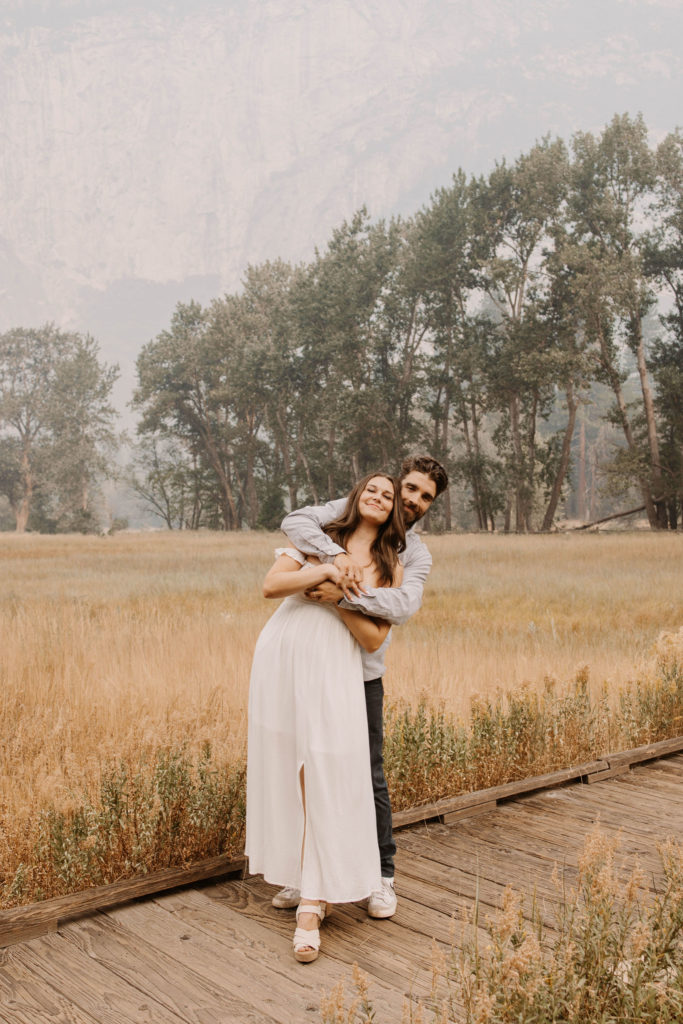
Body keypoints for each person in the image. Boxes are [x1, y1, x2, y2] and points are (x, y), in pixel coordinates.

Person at [273, 454, 449, 919]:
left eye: (424, 497)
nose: (413, 500)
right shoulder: (349, 514)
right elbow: (295, 520)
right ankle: (310, 872)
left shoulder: (413, 553)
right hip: (313, 665)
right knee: (306, 766)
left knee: (368, 775)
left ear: (431, 506)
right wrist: (335, 558)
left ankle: (381, 876)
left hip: (362, 672)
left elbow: (403, 606)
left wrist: (342, 594)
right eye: (408, 488)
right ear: (396, 484)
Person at [245, 472, 406, 963]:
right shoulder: (319, 537)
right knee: (291, 768)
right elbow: (272, 586)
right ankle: (303, 876)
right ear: (356, 497)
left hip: (335, 667)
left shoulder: (389, 563)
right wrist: (327, 570)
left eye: (389, 495)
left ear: (394, 510)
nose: (378, 497)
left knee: (327, 770)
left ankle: (314, 902)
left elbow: (376, 638)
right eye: (371, 489)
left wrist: (340, 601)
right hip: (282, 657)